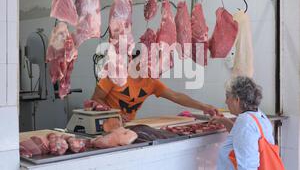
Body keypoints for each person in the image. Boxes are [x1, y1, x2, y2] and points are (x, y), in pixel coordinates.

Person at [91, 52, 219, 122]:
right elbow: (96, 99)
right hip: (104, 125)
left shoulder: (151, 82)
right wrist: (115, 114)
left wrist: (204, 106)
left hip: (128, 125)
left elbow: (176, 96)